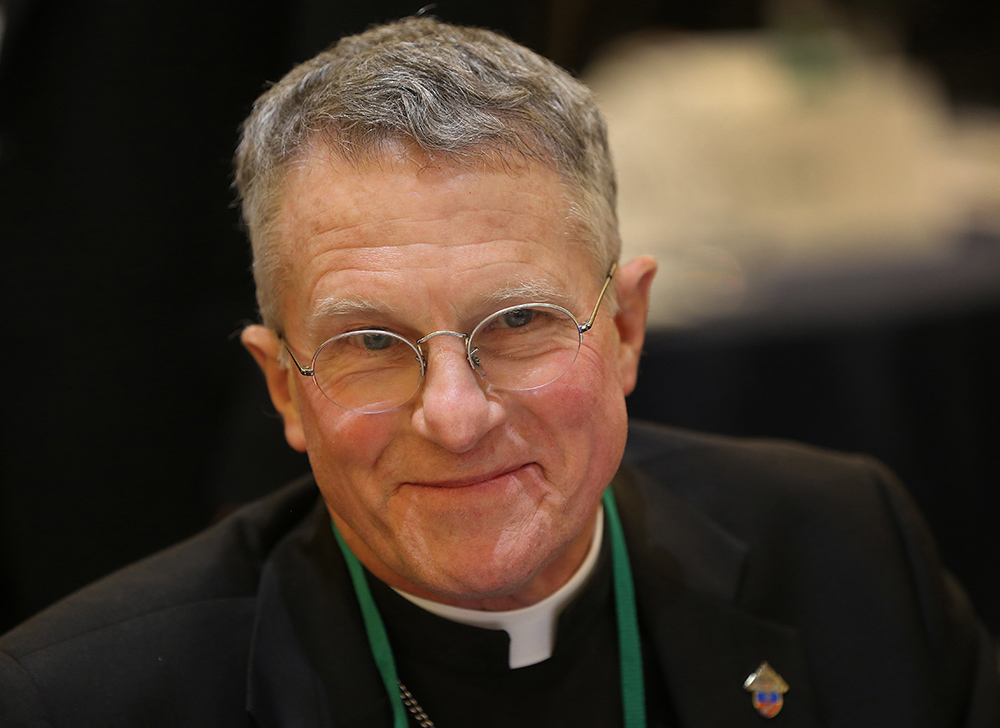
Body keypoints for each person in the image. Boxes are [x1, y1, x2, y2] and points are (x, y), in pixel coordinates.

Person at [0, 16, 996, 728]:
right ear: (283, 388)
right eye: (370, 344)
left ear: (627, 329)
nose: (455, 414)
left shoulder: (848, 550)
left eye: (518, 320)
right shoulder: (80, 695)